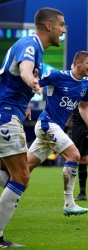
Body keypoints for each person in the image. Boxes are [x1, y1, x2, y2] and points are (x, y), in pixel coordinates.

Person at [0, 7, 65, 248]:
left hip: (8, 111)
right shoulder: (31, 45)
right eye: (61, 24)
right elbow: (25, 70)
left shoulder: (32, 47)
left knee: (7, 174)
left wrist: (26, 98)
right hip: (5, 115)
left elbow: (16, 74)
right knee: (21, 176)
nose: (63, 29)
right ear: (48, 26)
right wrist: (32, 82)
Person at [25, 51, 88, 218]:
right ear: (78, 63)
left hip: (55, 128)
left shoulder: (87, 84)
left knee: (23, 169)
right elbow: (32, 83)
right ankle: (69, 203)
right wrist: (26, 103)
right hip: (47, 124)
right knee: (74, 155)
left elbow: (83, 107)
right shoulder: (57, 76)